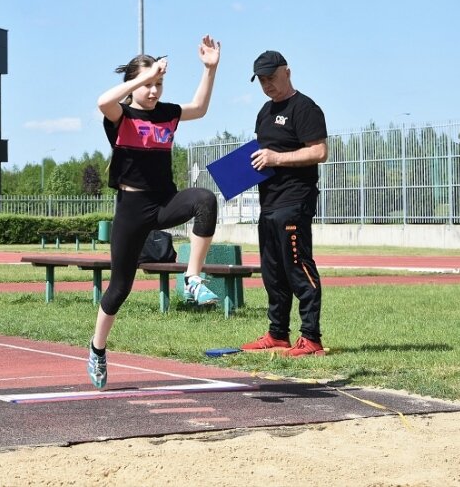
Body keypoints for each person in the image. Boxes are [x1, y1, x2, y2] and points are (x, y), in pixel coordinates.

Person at [87, 35, 221, 389]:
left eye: (159, 84)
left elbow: (199, 108)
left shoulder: (166, 114)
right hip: (132, 208)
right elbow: (103, 101)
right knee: (119, 288)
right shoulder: (121, 115)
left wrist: (210, 69)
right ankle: (98, 348)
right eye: (149, 84)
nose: (154, 91)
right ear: (133, 85)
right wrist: (140, 79)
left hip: (164, 202)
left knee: (206, 199)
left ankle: (192, 279)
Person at [240, 50, 329, 358]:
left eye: (271, 78)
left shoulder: (305, 108)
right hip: (269, 203)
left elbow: (319, 152)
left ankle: (311, 337)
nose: (267, 85)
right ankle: (277, 334)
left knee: (297, 266)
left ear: (287, 72)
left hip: (295, 201)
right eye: (262, 81)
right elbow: (262, 155)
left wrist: (277, 158)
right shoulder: (264, 112)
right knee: (272, 271)